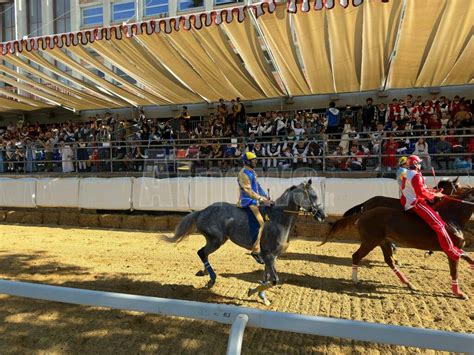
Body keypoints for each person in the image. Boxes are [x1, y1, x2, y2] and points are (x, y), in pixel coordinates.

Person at [400, 155, 474, 273]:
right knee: (440, 224)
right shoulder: (415, 175)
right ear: (415, 164)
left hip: (411, 200)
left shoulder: (410, 173)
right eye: (419, 162)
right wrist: (435, 195)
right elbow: (421, 192)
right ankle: (453, 251)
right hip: (415, 203)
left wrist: (435, 191)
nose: (421, 164)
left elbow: (422, 188)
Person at [237, 151, 272, 264]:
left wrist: (266, 197)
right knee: (261, 223)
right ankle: (255, 250)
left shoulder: (252, 171)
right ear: (247, 161)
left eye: (256, 160)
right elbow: (248, 190)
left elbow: (258, 187)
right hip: (247, 200)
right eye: (253, 160)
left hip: (255, 200)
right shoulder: (243, 173)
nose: (256, 161)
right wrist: (261, 199)